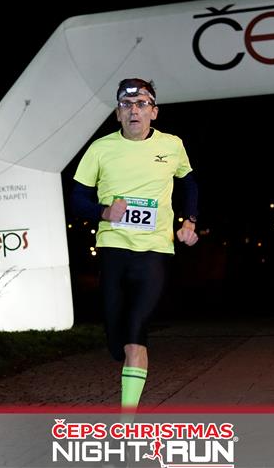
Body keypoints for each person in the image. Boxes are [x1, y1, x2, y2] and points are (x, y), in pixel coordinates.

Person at [70, 78, 199, 409]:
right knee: (117, 341)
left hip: (155, 250)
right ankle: (121, 348)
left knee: (136, 333)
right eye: (126, 105)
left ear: (153, 112)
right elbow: (77, 198)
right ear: (118, 113)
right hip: (113, 247)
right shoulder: (100, 148)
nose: (134, 111)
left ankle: (127, 422)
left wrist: (189, 221)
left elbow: (189, 185)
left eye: (141, 104)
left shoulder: (172, 145)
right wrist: (104, 211)